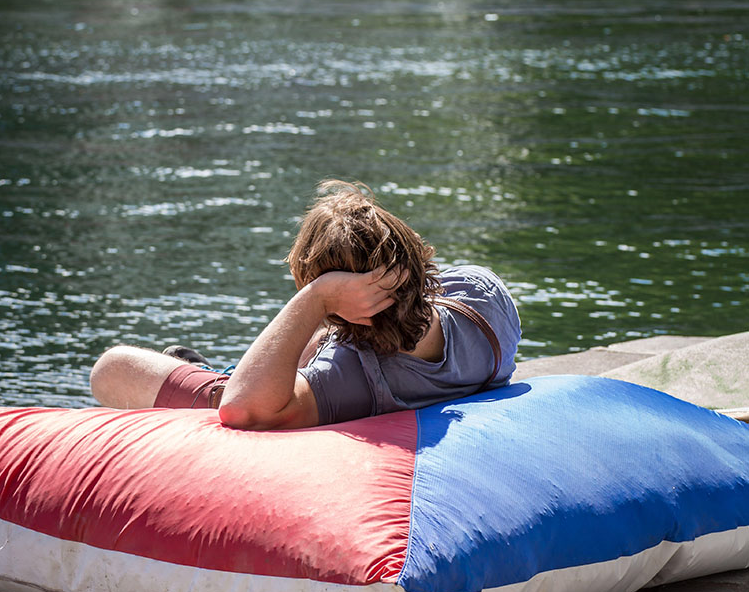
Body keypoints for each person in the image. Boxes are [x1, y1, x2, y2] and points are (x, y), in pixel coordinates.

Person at [90, 180, 521, 429]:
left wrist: (315, 299)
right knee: (312, 346)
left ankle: (210, 371)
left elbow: (239, 409)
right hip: (381, 317)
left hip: (279, 381)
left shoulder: (346, 378)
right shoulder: (484, 296)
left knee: (112, 368)